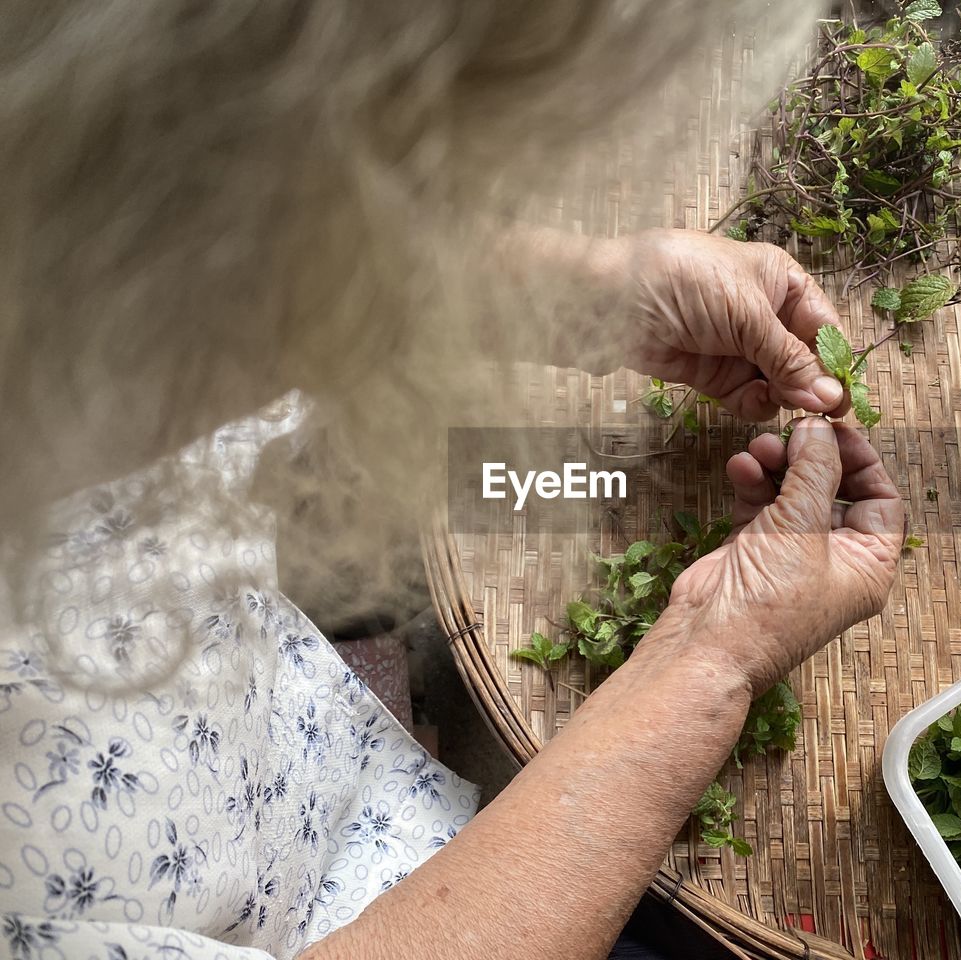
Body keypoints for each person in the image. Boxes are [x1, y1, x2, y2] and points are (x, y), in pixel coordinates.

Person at [0, 3, 905, 960]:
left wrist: (584, 298)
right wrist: (714, 656)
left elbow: (236, 260)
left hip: (278, 745)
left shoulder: (83, 226)